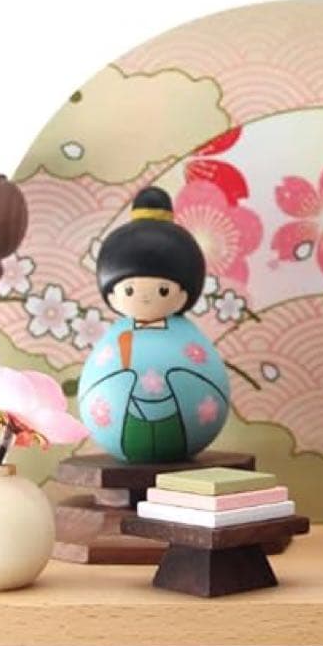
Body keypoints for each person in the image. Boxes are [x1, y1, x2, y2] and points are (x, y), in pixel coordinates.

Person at [77, 187, 229, 463]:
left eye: (163, 290)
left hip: (176, 415)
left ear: (185, 291)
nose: (146, 297)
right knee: (134, 433)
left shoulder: (185, 335)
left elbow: (202, 371)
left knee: (171, 431)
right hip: (131, 413)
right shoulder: (119, 336)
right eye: (130, 290)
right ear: (111, 292)